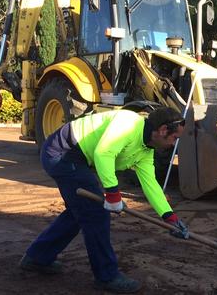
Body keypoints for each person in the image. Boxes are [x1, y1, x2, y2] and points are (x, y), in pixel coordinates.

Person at [19, 108, 189, 293]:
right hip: (62, 153)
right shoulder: (129, 123)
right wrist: (113, 194)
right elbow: (103, 153)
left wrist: (169, 218)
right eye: (175, 138)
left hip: (77, 159)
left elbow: (151, 185)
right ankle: (106, 276)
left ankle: (37, 257)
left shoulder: (145, 150)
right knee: (96, 213)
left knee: (81, 211)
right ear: (163, 130)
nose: (174, 145)